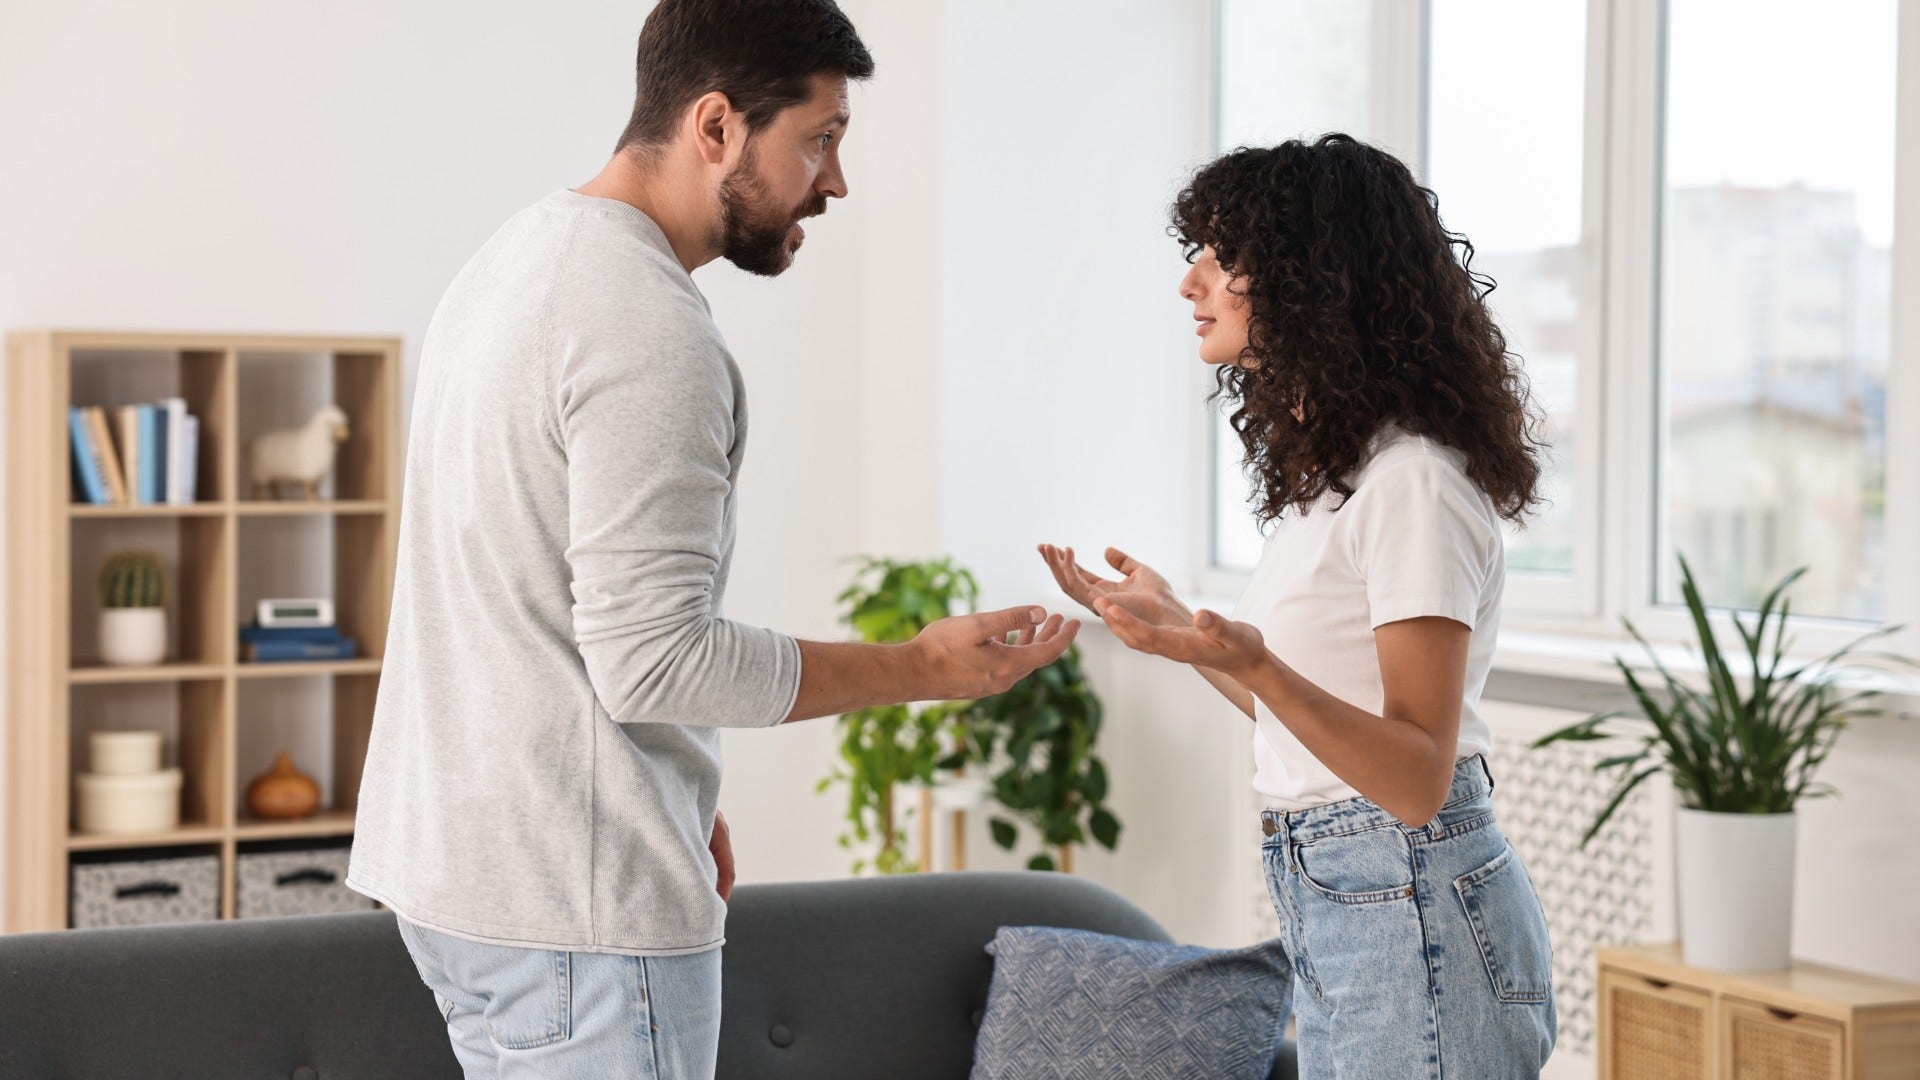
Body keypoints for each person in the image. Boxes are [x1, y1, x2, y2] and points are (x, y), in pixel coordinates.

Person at [346, 2, 1078, 1075]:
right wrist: (923, 666)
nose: (835, 182)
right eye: (819, 138)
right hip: (576, 915)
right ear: (717, 126)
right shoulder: (646, 324)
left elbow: (524, 585)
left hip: (460, 882)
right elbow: (655, 661)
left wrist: (675, 795)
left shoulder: (512, 262)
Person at [1040, 133, 1558, 1077]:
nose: (1190, 283)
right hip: (1360, 903)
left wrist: (1253, 662)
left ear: (1307, 277)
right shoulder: (1341, 484)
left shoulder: (1413, 483)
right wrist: (1193, 641)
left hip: (1408, 904)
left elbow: (1413, 777)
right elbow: (1318, 728)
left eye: (1219, 256)